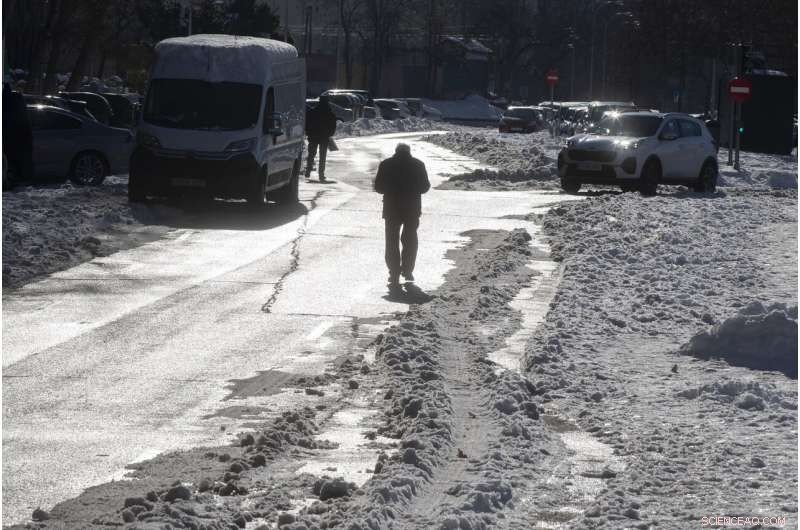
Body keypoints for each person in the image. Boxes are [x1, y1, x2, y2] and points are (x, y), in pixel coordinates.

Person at [374, 143, 430, 286]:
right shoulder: (418, 164)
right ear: (409, 152)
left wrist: (391, 189)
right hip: (412, 209)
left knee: (391, 240)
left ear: (396, 151)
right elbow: (425, 187)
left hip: (391, 209)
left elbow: (379, 187)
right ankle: (408, 269)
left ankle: (394, 273)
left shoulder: (386, 164)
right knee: (410, 239)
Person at [305, 95, 337, 182]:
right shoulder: (329, 113)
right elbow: (333, 125)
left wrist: (308, 133)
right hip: (324, 137)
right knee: (322, 156)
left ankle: (308, 171)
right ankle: (321, 175)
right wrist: (329, 134)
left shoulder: (312, 112)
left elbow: (307, 123)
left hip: (313, 136)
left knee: (311, 154)